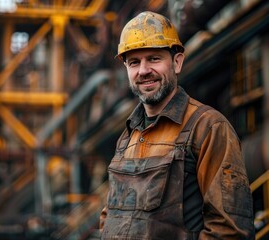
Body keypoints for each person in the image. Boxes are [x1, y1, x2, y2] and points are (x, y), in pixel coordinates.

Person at [99, 11, 255, 239]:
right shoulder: (128, 135)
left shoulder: (208, 127)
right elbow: (110, 216)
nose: (143, 71)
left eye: (154, 58)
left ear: (177, 62)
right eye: (134, 62)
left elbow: (230, 231)